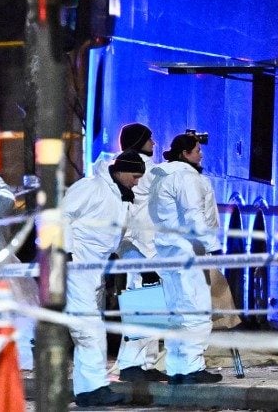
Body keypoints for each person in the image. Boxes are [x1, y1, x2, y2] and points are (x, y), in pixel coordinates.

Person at [61, 149, 145, 408]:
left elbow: (120, 239)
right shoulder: (90, 188)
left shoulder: (121, 197)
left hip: (93, 271)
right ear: (120, 171)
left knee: (89, 327)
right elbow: (60, 215)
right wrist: (64, 252)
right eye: (134, 175)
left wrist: (143, 262)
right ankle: (93, 388)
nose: (137, 181)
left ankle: (88, 389)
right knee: (88, 329)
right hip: (77, 266)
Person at [147, 132, 222, 385]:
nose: (201, 154)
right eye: (197, 150)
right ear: (184, 154)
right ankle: (191, 367)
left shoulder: (161, 177)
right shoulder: (187, 178)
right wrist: (214, 247)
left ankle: (178, 367)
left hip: (167, 251)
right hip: (189, 251)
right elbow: (194, 216)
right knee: (196, 310)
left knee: (177, 312)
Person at [113, 122, 166, 382]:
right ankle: (133, 364)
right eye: (149, 139)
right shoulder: (145, 171)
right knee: (145, 305)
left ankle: (143, 364)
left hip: (142, 248)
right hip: (144, 248)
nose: (154, 144)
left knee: (150, 305)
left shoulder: (136, 170)